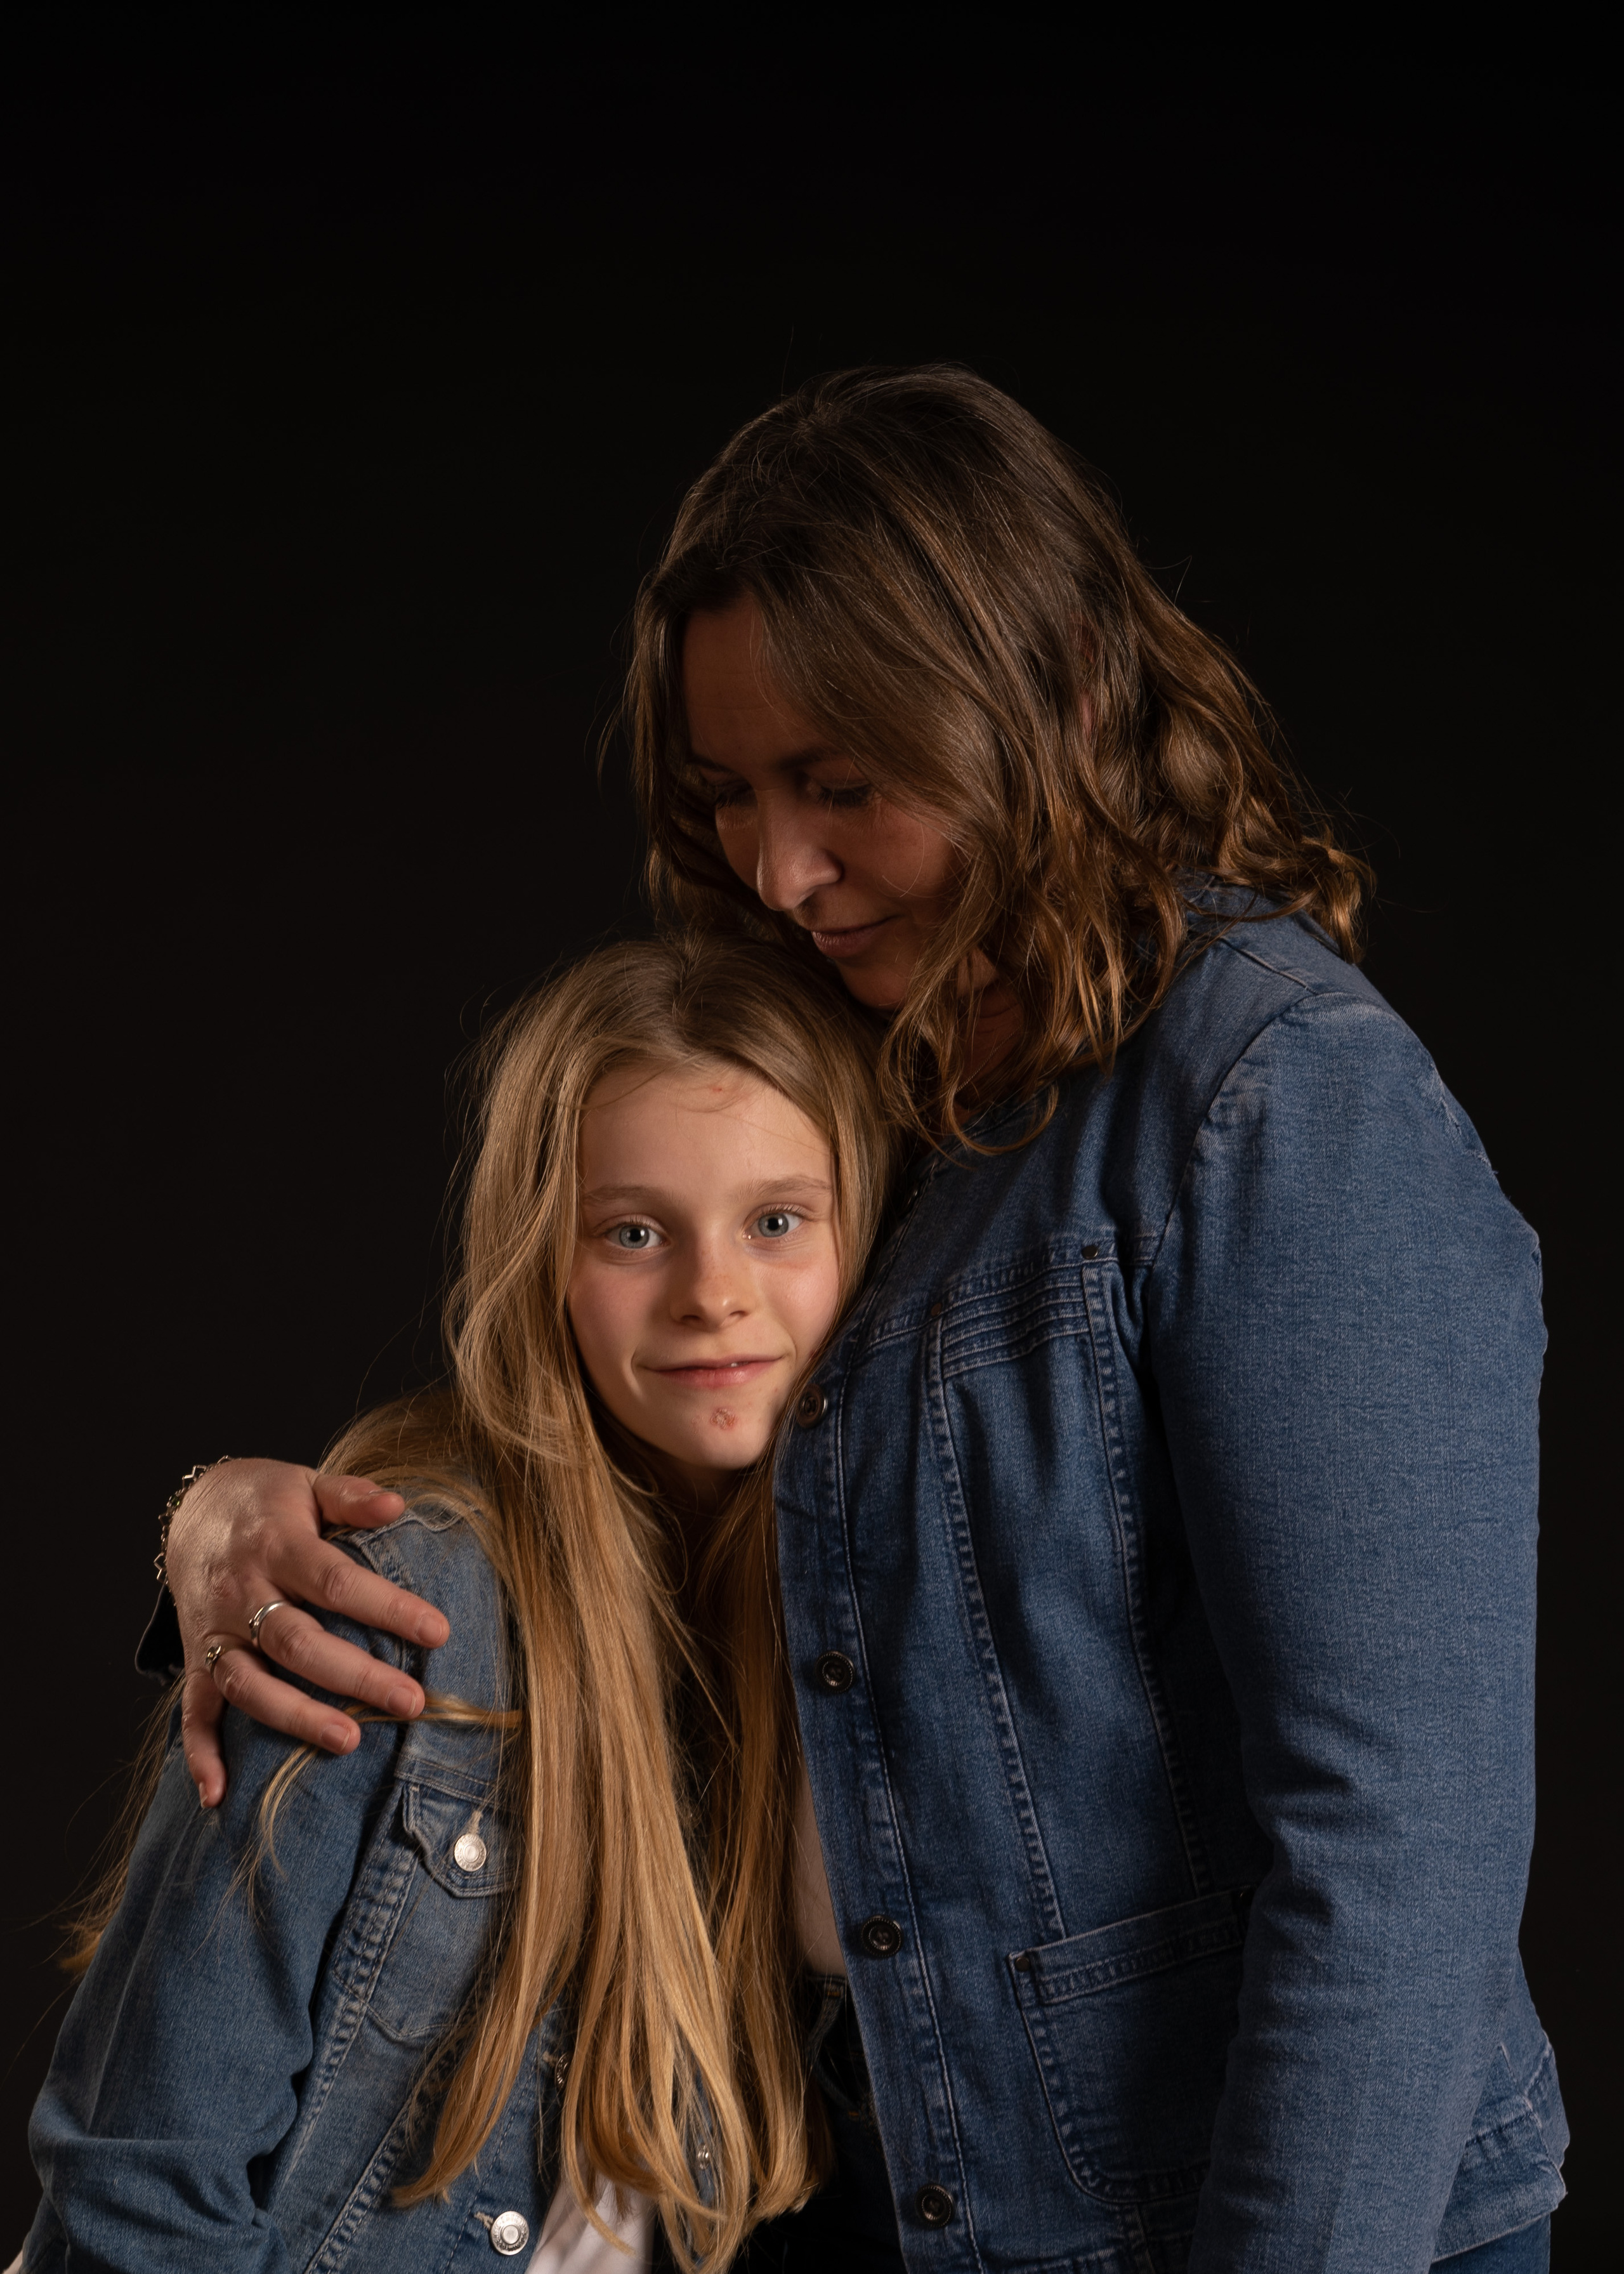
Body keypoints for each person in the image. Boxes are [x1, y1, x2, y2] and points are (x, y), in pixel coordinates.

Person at [147, 367, 1565, 2269]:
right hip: (899, 2197)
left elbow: (1397, 1849)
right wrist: (223, 1514)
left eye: (841, 785)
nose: (778, 870)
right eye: (729, 795)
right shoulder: (869, 1063)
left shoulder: (1276, 1102)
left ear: (1056, 702)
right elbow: (605, 1437)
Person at [18, 936, 901, 2273]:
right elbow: (139, 2186)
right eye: (633, 1232)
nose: (713, 1293)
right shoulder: (400, 1597)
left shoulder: (841, 1624)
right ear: (543, 1255)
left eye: (776, 1221)